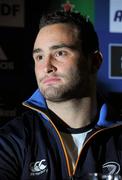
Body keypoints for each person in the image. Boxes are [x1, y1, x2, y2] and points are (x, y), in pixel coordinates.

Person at [0, 10, 122, 180]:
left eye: (60, 53)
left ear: (94, 62)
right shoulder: (12, 140)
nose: (46, 67)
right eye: (40, 56)